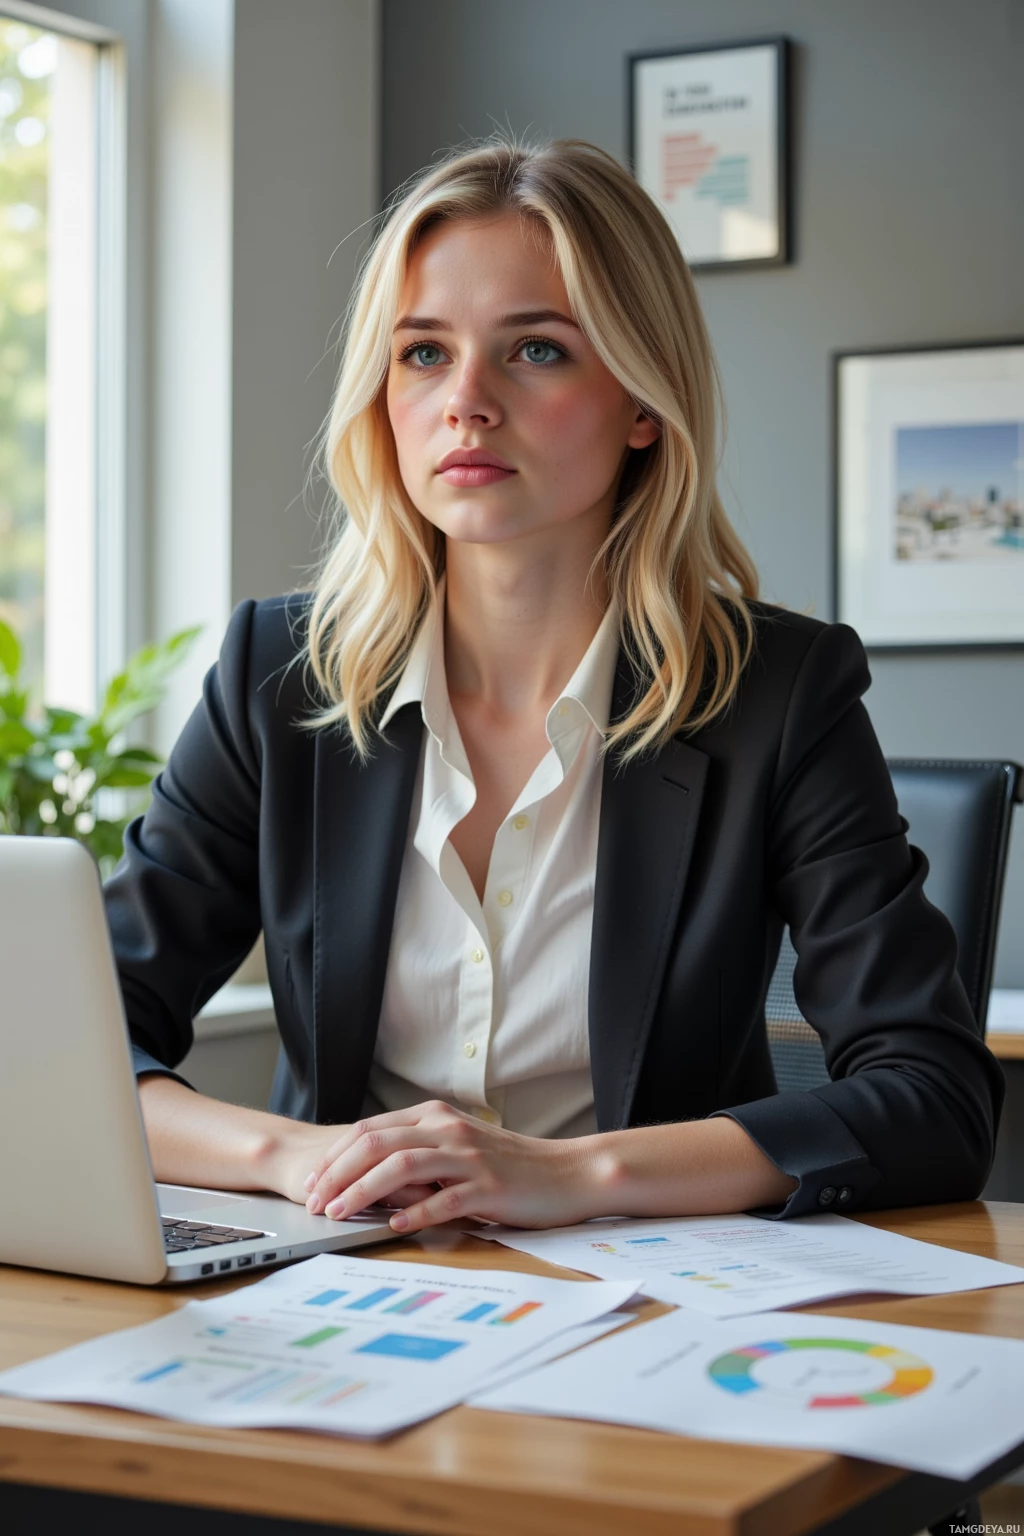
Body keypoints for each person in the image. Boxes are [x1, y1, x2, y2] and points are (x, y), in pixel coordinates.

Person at [107, 133, 1002, 1238]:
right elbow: (70, 1041)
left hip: (650, 1305)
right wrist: (299, 1156)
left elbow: (933, 1099)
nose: (466, 402)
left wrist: (568, 1175)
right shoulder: (274, 677)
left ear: (641, 401)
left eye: (535, 351)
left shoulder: (779, 694)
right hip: (339, 1284)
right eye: (423, 354)